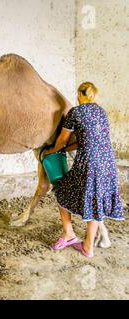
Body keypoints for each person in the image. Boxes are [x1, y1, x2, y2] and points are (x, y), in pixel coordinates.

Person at [44, 82, 124, 257]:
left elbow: (62, 140)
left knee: (60, 188)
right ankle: (88, 246)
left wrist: (53, 151)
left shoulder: (76, 112)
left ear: (80, 94)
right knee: (95, 199)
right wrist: (66, 150)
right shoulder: (101, 112)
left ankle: (68, 234)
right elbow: (86, 140)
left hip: (89, 163)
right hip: (108, 163)